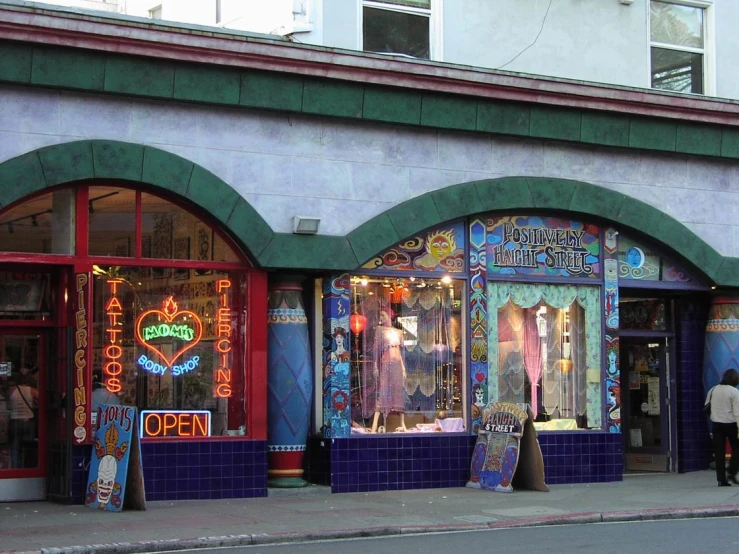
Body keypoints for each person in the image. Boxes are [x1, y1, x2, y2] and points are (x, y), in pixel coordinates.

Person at [706, 368, 739, 486]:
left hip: (716, 424)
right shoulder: (734, 392)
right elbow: (737, 412)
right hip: (731, 424)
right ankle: (732, 471)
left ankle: (721, 479)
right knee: (737, 448)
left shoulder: (713, 389)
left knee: (719, 452)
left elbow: (707, 405)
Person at [9, 373, 39, 468]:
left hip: (15, 422)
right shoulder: (32, 391)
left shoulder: (11, 390)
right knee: (27, 448)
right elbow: (43, 400)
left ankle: (15, 468)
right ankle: (26, 467)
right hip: (28, 422)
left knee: (15, 447)